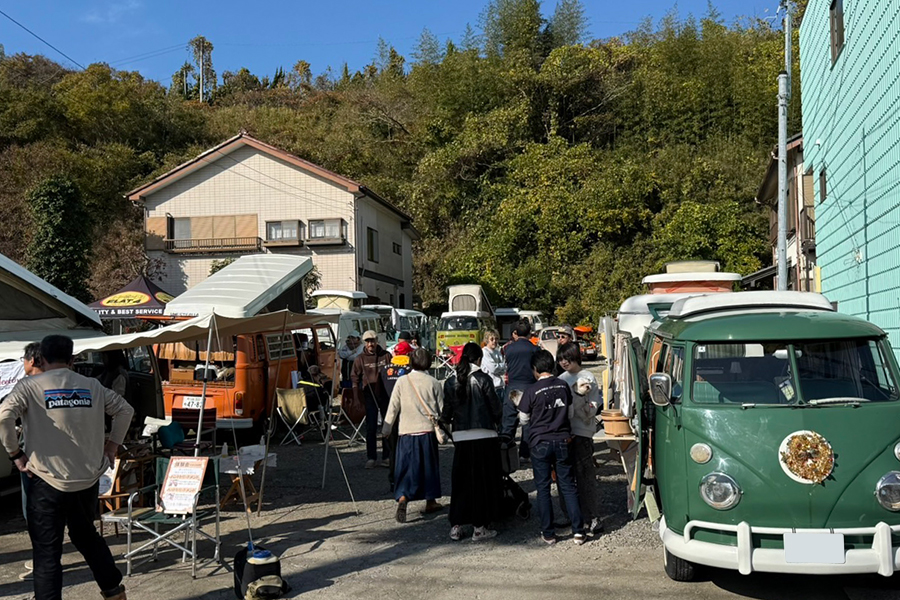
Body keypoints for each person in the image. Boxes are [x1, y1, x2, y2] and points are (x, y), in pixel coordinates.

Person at [0, 335, 134, 600]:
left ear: (40, 359)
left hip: (45, 480)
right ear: (72, 359)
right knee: (86, 536)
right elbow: (125, 410)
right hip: (86, 479)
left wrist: (15, 454)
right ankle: (114, 591)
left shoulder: (29, 386)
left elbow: (4, 416)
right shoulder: (92, 386)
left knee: (47, 551)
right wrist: (112, 446)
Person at [518, 349, 585, 546]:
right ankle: (579, 531)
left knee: (543, 488)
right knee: (568, 486)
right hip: (563, 440)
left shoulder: (531, 390)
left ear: (535, 369)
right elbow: (570, 414)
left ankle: (549, 533)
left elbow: (523, 419)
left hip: (540, 442)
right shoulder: (563, 386)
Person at [442, 342, 503, 541]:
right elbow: (495, 408)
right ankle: (479, 526)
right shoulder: (483, 379)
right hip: (484, 434)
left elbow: (446, 412)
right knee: (481, 482)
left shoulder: (451, 381)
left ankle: (456, 525)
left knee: (461, 482)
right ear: (478, 359)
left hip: (461, 436)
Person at [382, 348, 444, 523]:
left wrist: (386, 429)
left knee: (406, 468)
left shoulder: (402, 381)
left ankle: (403, 497)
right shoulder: (434, 383)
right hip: (427, 432)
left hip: (406, 432)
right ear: (428, 362)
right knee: (428, 469)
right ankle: (430, 501)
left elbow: (393, 407)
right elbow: (441, 409)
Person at [556, 342, 604, 535]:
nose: (563, 362)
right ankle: (570, 515)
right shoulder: (560, 379)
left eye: (567, 358)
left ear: (576, 357)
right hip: (564, 432)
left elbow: (593, 407)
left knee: (585, 476)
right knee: (565, 477)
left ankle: (592, 517)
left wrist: (578, 404)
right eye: (560, 359)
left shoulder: (588, 377)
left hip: (582, 432)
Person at [351, 330, 392, 469]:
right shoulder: (359, 359)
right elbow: (354, 380)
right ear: (364, 343)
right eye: (368, 341)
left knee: (387, 426)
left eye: (372, 341)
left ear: (377, 341)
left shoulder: (386, 355)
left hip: (386, 396)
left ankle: (387, 457)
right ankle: (371, 457)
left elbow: (393, 375)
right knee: (371, 428)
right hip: (369, 397)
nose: (370, 344)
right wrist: (356, 398)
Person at [501, 320, 537, 461]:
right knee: (527, 422)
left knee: (509, 421)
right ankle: (524, 453)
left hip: (512, 386)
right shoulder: (534, 349)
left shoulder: (508, 348)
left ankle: (505, 451)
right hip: (529, 386)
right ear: (529, 333)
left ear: (515, 333)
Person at [380, 344, 413, 492]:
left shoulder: (384, 370)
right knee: (407, 449)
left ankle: (393, 480)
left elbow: (380, 392)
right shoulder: (410, 370)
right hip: (406, 414)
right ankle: (407, 480)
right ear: (408, 354)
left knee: (393, 450)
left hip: (389, 414)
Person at [481, 329, 506, 397]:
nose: (494, 341)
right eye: (492, 339)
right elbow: (493, 368)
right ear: (487, 340)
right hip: (491, 387)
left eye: (496, 339)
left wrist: (499, 367)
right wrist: (501, 366)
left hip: (500, 386)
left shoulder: (498, 352)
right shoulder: (485, 352)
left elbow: (504, 369)